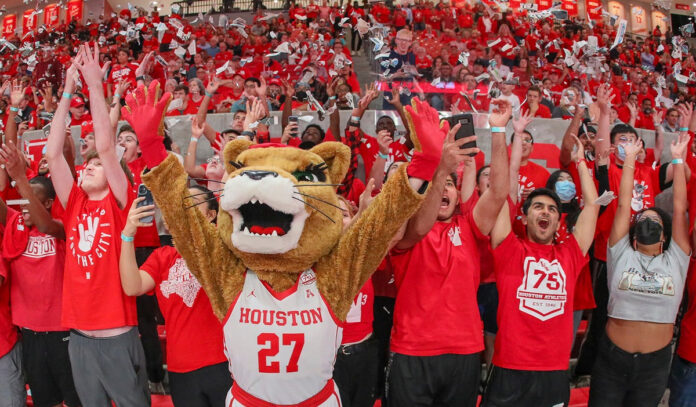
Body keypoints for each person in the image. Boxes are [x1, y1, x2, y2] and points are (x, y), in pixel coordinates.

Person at [387, 99, 512, 407]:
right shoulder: (408, 229)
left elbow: (497, 192)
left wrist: (497, 130)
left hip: (464, 351)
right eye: (437, 185)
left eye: (450, 187)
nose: (444, 189)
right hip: (413, 352)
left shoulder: (469, 226)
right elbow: (420, 226)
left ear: (459, 197)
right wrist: (441, 170)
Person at [45, 44, 148, 406]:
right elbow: (53, 153)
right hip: (79, 336)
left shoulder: (121, 201)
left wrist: (93, 84)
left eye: (96, 166)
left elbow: (105, 146)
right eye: (85, 166)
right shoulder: (74, 203)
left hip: (117, 334)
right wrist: (67, 91)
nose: (88, 166)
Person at [483, 134, 599, 406]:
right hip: (509, 369)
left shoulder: (570, 254)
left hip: (553, 373)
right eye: (537, 207)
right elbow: (499, 191)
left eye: (551, 209)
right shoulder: (509, 249)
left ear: (559, 220)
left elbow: (593, 206)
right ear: (524, 216)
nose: (544, 212)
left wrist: (581, 161)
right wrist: (500, 134)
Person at [588, 134, 691, 407]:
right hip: (612, 358)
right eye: (643, 219)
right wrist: (630, 159)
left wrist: (679, 159)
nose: (647, 220)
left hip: (654, 364)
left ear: (664, 235)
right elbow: (624, 205)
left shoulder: (676, 259)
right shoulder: (621, 253)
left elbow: (680, 209)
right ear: (634, 234)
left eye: (654, 219)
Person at [119, 187, 232, 407]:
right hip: (180, 369)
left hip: (224, 363)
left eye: (191, 202)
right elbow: (132, 287)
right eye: (178, 203)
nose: (182, 207)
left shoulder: (222, 249)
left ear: (211, 215)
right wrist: (127, 235)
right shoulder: (163, 257)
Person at [0, 143, 81, 407]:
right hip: (30, 334)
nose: (25, 207)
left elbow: (45, 224)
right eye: (23, 201)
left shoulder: (60, 228)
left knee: (73, 399)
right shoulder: (14, 225)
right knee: (45, 400)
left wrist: (20, 178)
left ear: (47, 203)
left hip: (62, 332)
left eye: (32, 200)